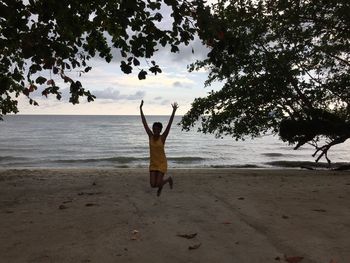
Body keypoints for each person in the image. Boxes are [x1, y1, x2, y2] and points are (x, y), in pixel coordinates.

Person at [140, 100, 178, 196]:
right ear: (152, 129)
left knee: (157, 183)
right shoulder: (150, 136)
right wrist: (141, 109)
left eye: (158, 129)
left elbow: (169, 125)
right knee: (153, 185)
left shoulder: (163, 137)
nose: (156, 130)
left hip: (161, 163)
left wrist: (174, 111)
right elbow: (144, 123)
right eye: (154, 129)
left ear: (160, 130)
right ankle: (163, 183)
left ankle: (168, 180)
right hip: (153, 163)